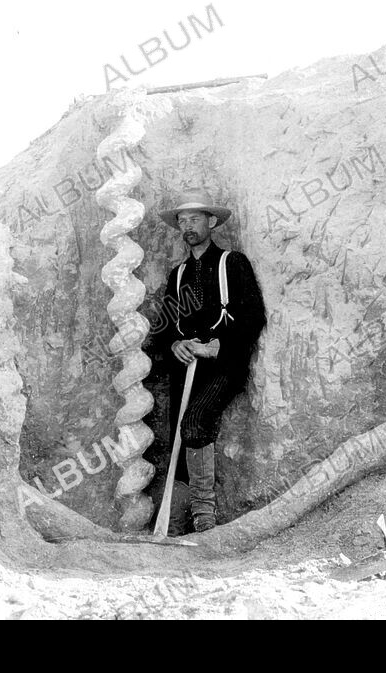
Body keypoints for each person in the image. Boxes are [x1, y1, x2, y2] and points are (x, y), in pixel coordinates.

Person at [151, 191, 266, 533]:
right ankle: (175, 524)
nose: (187, 226)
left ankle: (205, 520)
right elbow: (163, 329)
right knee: (178, 436)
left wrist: (216, 347)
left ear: (212, 222)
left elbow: (253, 317)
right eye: (182, 221)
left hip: (224, 366)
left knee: (195, 422)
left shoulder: (233, 263)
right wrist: (175, 344)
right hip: (187, 370)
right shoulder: (179, 274)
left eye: (195, 219)